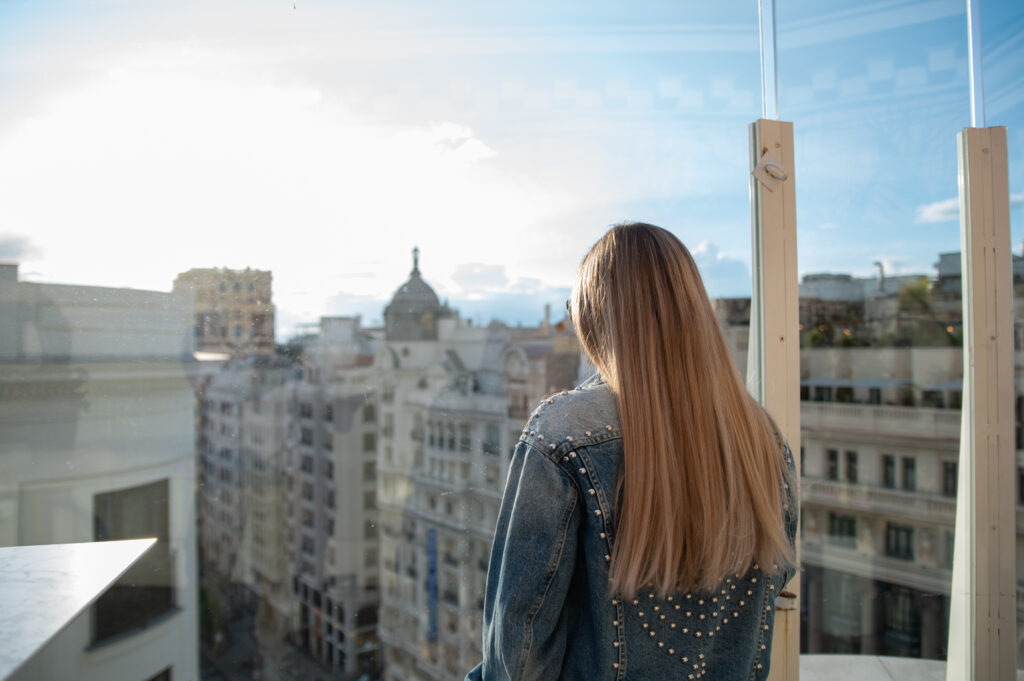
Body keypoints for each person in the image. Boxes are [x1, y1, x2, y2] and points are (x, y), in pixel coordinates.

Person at [465, 223, 797, 681]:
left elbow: (516, 650)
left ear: (595, 317)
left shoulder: (562, 434)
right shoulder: (763, 437)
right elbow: (776, 579)